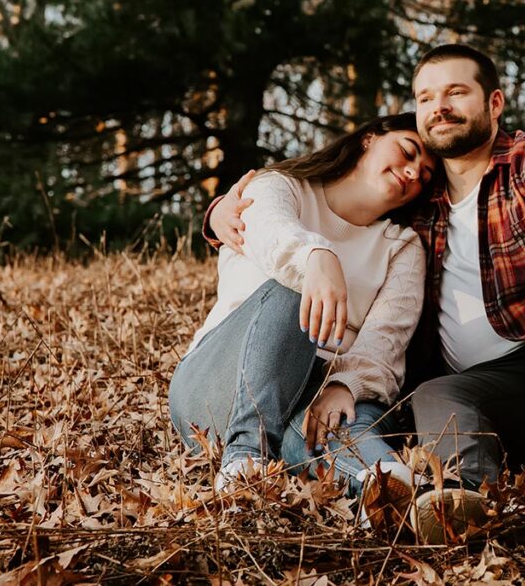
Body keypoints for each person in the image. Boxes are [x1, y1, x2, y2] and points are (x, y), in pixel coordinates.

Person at [209, 45, 525, 540]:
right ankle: (471, 500)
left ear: (493, 104)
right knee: (436, 393)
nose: (438, 107)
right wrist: (216, 214)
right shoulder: (417, 203)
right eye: (425, 97)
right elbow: (316, 208)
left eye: (455, 92)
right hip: (510, 398)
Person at [168, 113, 436, 515]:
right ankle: (245, 457)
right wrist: (316, 256)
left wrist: (346, 384)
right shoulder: (280, 187)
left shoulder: (402, 246)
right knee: (294, 291)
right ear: (368, 139)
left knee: (344, 423)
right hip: (222, 380)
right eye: (407, 150)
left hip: (320, 389)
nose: (413, 172)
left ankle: (390, 490)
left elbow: (387, 337)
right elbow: (269, 229)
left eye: (426, 175)